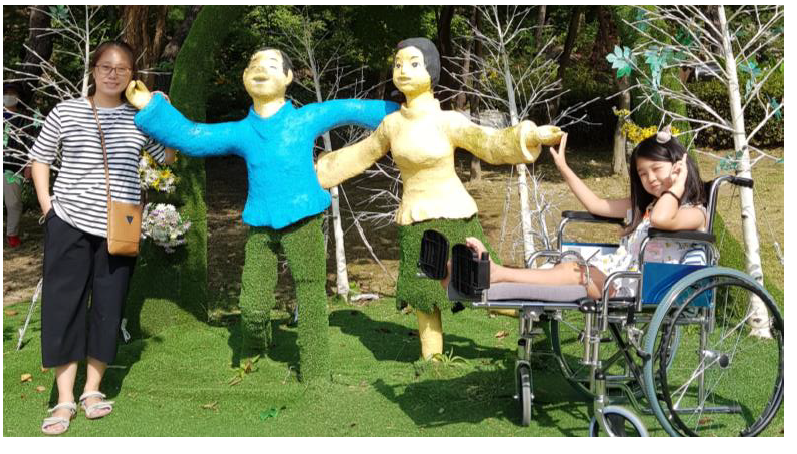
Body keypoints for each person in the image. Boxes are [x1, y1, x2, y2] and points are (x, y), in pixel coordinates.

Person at [125, 47, 398, 381]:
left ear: (288, 77)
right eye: (253, 64)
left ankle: (316, 370)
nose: (260, 69)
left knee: (310, 293)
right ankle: (254, 350)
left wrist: (408, 111)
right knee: (253, 306)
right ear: (244, 77)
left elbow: (352, 108)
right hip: (260, 223)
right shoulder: (243, 132)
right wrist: (149, 106)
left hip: (304, 217)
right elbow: (194, 137)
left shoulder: (304, 118)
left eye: (270, 64)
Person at [315, 37, 564, 360]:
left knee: (481, 282)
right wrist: (318, 172)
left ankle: (537, 318)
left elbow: (490, 143)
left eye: (413, 64)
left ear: (431, 71)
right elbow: (361, 154)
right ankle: (433, 361)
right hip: (415, 219)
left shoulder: (447, 121)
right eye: (398, 64)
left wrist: (530, 136)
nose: (403, 71)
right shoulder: (392, 125)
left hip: (455, 215)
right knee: (424, 293)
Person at [29, 41, 175, 435]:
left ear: (132, 76)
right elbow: (40, 158)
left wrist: (162, 114)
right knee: (63, 307)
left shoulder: (140, 119)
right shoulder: (66, 111)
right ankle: (64, 398)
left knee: (108, 307)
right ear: (93, 70)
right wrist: (47, 206)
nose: (113, 74)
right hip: (69, 222)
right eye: (106, 67)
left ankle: (92, 390)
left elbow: (168, 156)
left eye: (122, 68)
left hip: (119, 228)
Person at [455, 129, 708, 300]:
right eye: (642, 174)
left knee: (573, 272)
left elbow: (663, 219)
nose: (650, 178)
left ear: (679, 166)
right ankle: (492, 278)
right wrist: (563, 167)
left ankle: (499, 274)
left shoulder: (695, 213)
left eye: (656, 169)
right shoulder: (646, 207)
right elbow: (596, 205)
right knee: (564, 268)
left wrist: (678, 185)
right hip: (616, 277)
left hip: (635, 287)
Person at [3, 83, 31, 248]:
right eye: (5, 93)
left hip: (13, 167)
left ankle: (12, 235)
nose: (8, 96)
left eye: (12, 93)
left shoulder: (25, 119)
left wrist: (29, 164)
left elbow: (32, 143)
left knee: (13, 203)